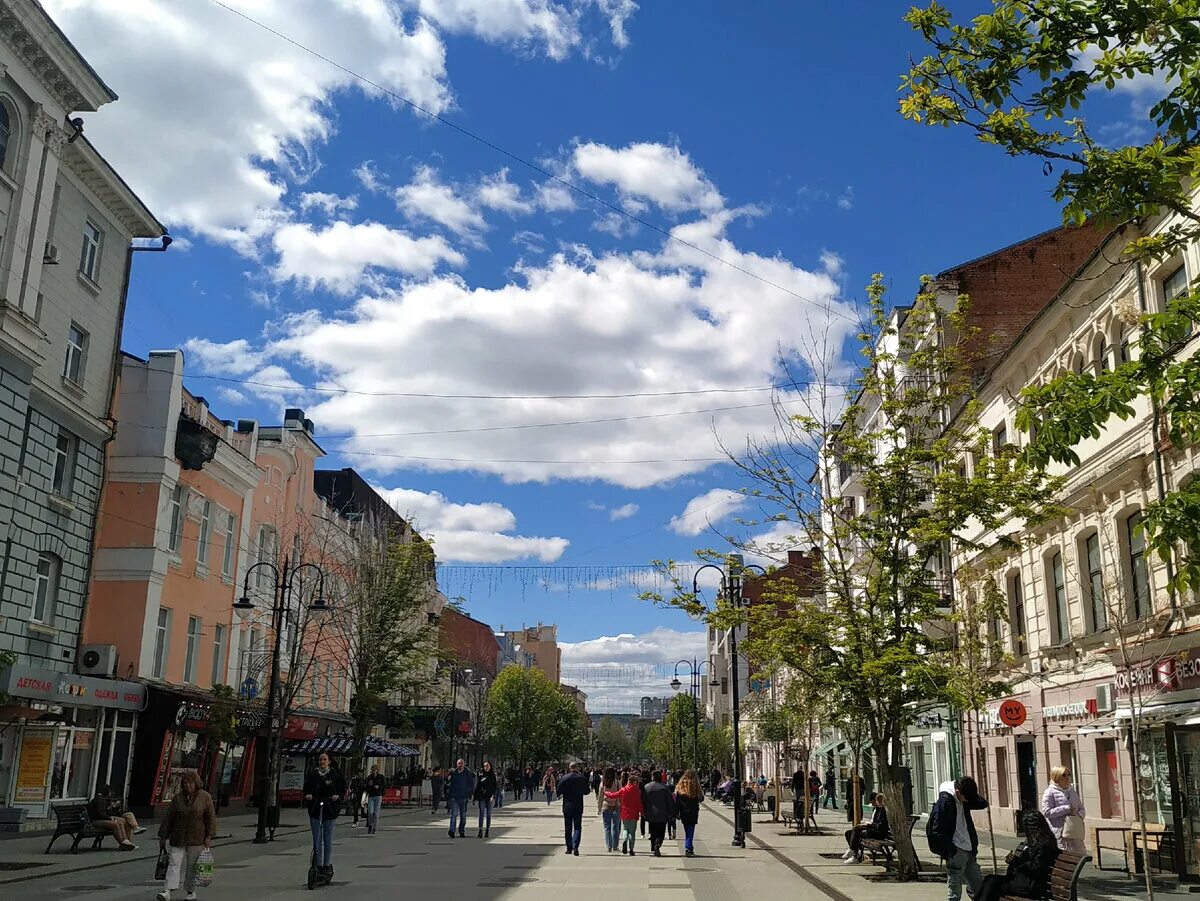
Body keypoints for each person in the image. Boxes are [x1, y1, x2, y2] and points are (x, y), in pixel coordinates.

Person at [155, 770, 216, 901]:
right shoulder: (178, 798)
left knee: (192, 867)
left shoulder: (205, 797)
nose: (187, 785)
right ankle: (167, 891)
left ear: (196, 783)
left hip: (197, 838)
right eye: (185, 783)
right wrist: (163, 836)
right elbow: (169, 817)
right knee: (173, 863)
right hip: (178, 836)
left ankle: (190, 892)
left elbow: (210, 818)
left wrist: (209, 836)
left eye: (190, 783)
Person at [927, 776, 989, 901]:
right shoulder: (945, 802)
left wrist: (971, 797)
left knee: (978, 884)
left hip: (968, 847)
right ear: (957, 792)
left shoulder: (964, 797)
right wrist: (950, 850)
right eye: (965, 798)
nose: (966, 801)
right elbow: (936, 830)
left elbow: (982, 803)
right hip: (956, 849)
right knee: (955, 889)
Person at [978, 811, 1060, 901]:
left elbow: (1037, 867)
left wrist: (1017, 861)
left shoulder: (1043, 845)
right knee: (990, 880)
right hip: (1024, 882)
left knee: (992, 884)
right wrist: (1013, 860)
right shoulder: (1037, 842)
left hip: (1031, 886)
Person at [303, 753, 346, 882]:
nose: (322, 761)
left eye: (324, 759)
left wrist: (337, 796)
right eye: (320, 759)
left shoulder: (334, 775)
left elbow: (341, 788)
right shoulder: (313, 774)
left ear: (329, 761)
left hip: (330, 809)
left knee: (327, 837)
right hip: (316, 808)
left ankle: (326, 864)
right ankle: (318, 863)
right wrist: (308, 795)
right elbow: (306, 788)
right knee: (317, 838)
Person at [1041, 765, 1086, 853]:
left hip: (1075, 830)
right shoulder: (1050, 792)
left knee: (1079, 855)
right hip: (1061, 832)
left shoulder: (1072, 791)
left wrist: (1078, 816)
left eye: (1068, 775)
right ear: (1056, 777)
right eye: (1063, 775)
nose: (1067, 777)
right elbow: (1047, 812)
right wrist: (1065, 809)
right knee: (1066, 856)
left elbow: (1081, 808)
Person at [842, 792, 890, 862]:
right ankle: (855, 853)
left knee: (856, 831)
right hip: (873, 830)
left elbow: (880, 826)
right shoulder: (877, 810)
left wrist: (870, 825)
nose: (874, 804)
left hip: (878, 833)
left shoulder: (883, 811)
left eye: (877, 801)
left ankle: (854, 853)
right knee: (849, 832)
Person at [87, 785, 139, 850]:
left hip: (101, 819)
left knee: (125, 821)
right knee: (115, 824)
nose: (111, 796)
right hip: (96, 821)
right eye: (110, 793)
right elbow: (100, 813)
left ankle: (128, 842)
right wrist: (109, 818)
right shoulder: (99, 800)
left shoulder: (103, 800)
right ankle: (122, 843)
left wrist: (112, 807)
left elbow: (105, 812)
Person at [557, 762, 590, 855]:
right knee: (577, 827)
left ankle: (569, 847)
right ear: (577, 768)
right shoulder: (581, 778)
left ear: (569, 767)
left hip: (567, 805)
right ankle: (576, 845)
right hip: (578, 805)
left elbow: (558, 790)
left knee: (568, 827)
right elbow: (587, 791)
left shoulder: (564, 778)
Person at [606, 771, 644, 855]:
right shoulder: (637, 791)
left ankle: (624, 840)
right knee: (632, 831)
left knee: (625, 829)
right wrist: (642, 812)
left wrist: (606, 793)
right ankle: (631, 849)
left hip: (625, 812)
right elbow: (639, 803)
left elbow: (614, 795)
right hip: (634, 813)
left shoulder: (623, 790)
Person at [643, 770, 676, 857]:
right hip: (662, 813)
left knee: (652, 830)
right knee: (661, 831)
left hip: (650, 813)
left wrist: (643, 812)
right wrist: (672, 812)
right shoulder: (665, 788)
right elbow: (670, 801)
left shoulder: (647, 787)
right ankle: (658, 844)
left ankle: (653, 846)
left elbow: (643, 801)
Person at [674, 769, 703, 857]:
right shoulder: (696, 786)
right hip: (693, 810)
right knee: (690, 830)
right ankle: (688, 846)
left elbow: (677, 801)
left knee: (687, 829)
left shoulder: (680, 786)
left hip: (684, 811)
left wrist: (676, 812)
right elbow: (701, 798)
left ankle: (690, 847)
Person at [446, 758, 475, 838]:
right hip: (454, 797)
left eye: (461, 763)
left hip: (463, 797)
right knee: (454, 814)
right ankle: (452, 830)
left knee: (463, 816)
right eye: (459, 763)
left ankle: (461, 830)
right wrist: (449, 795)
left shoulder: (468, 773)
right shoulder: (454, 773)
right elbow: (450, 785)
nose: (460, 765)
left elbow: (471, 784)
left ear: (464, 764)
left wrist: (470, 793)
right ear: (457, 764)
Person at [600, 766, 622, 852]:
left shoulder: (603, 783)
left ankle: (609, 846)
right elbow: (621, 794)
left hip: (606, 806)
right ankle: (615, 846)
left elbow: (601, 796)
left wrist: (599, 807)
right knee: (615, 827)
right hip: (616, 806)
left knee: (607, 827)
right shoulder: (617, 782)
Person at [475, 760, 498, 838]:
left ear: (490, 766)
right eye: (485, 766)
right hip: (482, 797)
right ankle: (480, 830)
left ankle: (487, 829)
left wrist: (493, 796)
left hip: (490, 797)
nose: (486, 767)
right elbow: (478, 786)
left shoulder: (492, 775)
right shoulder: (481, 775)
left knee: (488, 814)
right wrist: (475, 797)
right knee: (481, 814)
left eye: (487, 766)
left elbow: (495, 786)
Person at [364, 765, 387, 835]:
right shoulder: (369, 778)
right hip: (371, 796)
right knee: (370, 812)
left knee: (376, 813)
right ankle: (370, 825)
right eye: (372, 770)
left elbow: (384, 786)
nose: (373, 771)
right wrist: (369, 788)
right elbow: (366, 786)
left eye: (374, 770)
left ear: (377, 770)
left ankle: (374, 827)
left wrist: (379, 787)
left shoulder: (381, 777)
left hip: (378, 796)